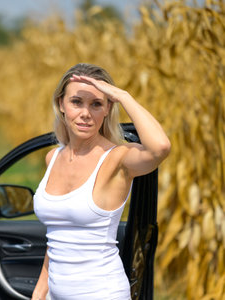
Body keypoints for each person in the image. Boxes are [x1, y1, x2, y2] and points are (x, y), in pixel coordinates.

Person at [32, 63, 171, 300]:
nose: (85, 113)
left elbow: (160, 148)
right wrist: (39, 293)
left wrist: (122, 95)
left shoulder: (117, 159)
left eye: (96, 104)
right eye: (77, 102)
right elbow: (56, 237)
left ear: (108, 108)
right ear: (61, 104)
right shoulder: (52, 158)